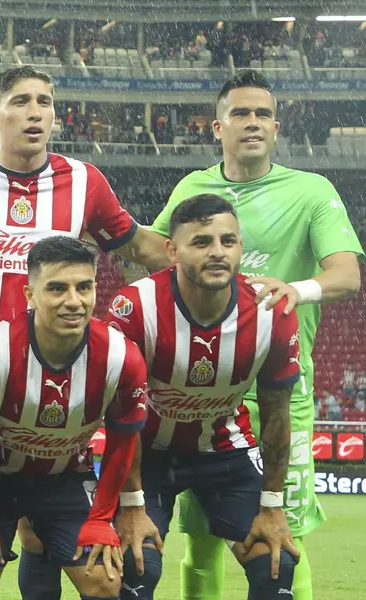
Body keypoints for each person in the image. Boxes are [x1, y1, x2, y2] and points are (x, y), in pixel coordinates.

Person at [151, 69, 363, 600]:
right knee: (201, 540)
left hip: (280, 391)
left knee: (280, 539)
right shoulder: (191, 188)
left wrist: (294, 289)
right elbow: (154, 253)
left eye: (263, 113)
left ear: (276, 127)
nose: (253, 122)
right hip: (200, 391)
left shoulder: (310, 191)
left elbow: (346, 275)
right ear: (216, 127)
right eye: (240, 113)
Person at [107, 194, 301, 600]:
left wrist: (272, 504)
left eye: (228, 241)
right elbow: (120, 416)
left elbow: (277, 414)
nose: (217, 252)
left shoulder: (272, 311)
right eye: (201, 242)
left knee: (275, 563)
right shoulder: (134, 306)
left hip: (226, 450)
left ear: (240, 248)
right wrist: (131, 503)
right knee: (134, 566)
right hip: (147, 454)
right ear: (172, 251)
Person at [0, 235, 149, 600]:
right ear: (30, 295)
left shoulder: (122, 357)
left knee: (104, 581)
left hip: (63, 480)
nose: (73, 301)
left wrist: (100, 519)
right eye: (57, 289)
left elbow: (123, 443)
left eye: (84, 287)